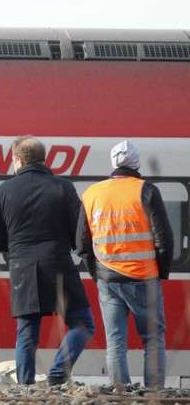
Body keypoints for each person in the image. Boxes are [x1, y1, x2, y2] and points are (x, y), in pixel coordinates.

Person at [0, 135, 94, 385]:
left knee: (27, 333)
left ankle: (25, 387)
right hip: (58, 262)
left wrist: (15, 250)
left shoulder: (3, 191)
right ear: (42, 159)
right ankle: (58, 372)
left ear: (18, 160)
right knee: (83, 324)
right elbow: (79, 229)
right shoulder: (63, 187)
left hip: (22, 267)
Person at [78, 140, 172, 389]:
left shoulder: (92, 193)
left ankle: (120, 393)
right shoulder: (147, 191)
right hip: (144, 278)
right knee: (152, 338)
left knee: (115, 341)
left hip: (107, 279)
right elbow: (164, 239)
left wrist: (97, 273)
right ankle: (153, 394)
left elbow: (82, 243)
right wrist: (161, 272)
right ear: (137, 163)